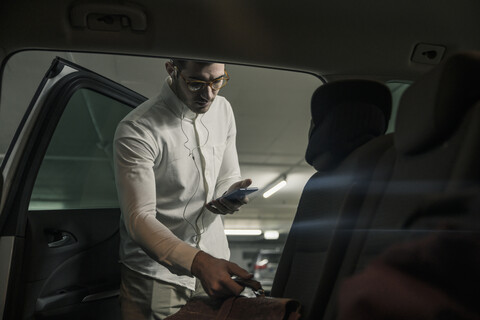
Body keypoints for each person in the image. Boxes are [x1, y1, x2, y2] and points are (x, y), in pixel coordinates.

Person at [114, 59, 254, 319]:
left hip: (214, 264)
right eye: (196, 83)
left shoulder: (223, 110)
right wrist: (198, 262)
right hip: (155, 276)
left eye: (217, 81)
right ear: (171, 69)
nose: (208, 94)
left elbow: (227, 174)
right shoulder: (137, 129)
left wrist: (229, 192)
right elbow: (139, 218)